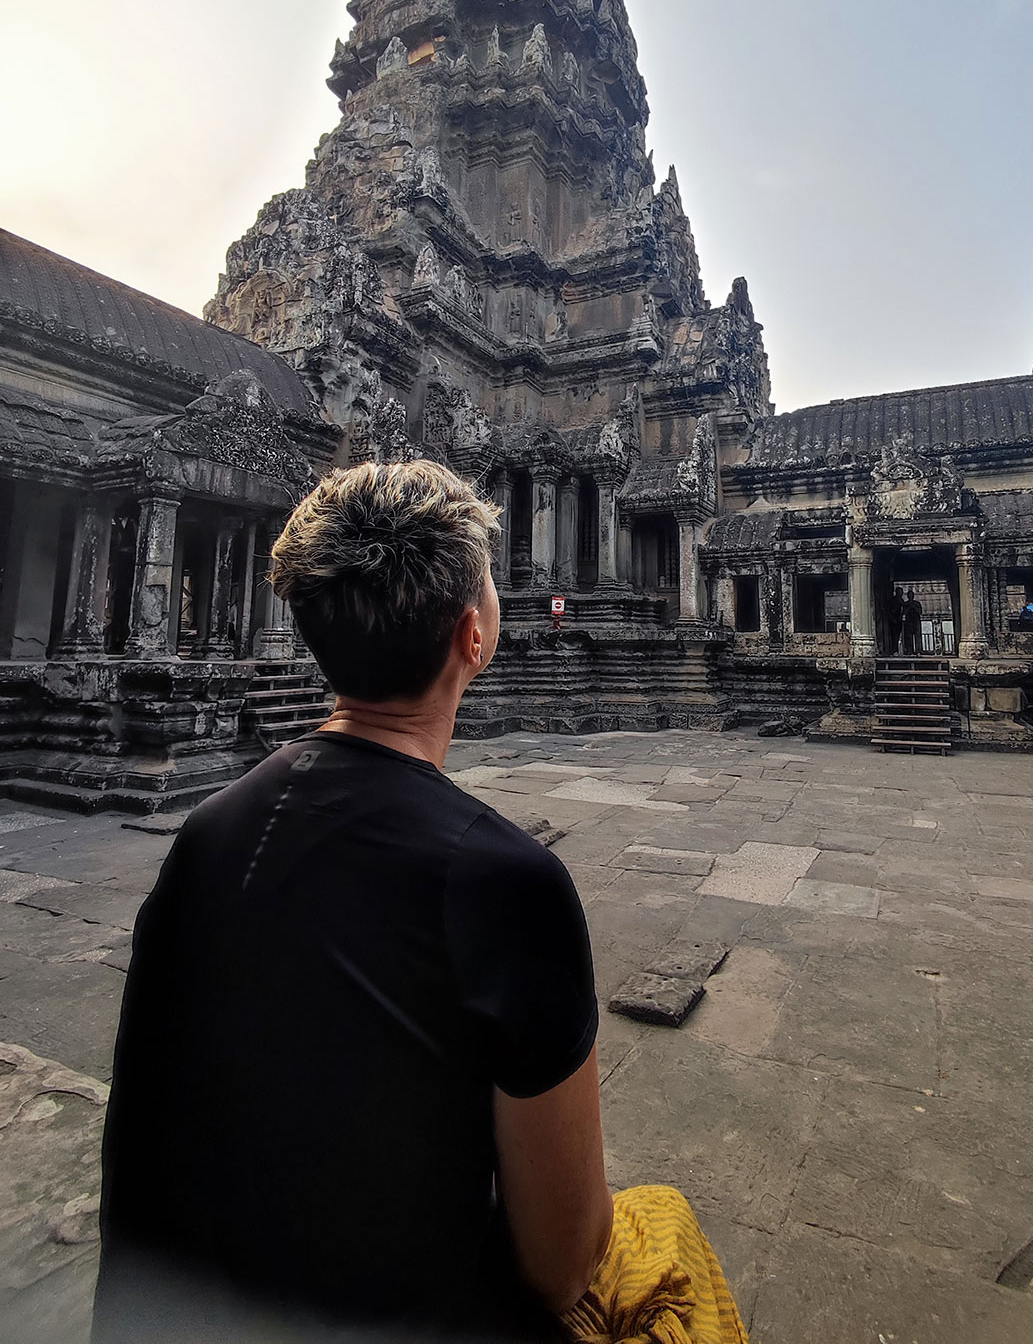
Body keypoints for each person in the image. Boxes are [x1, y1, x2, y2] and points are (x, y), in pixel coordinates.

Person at [93, 460, 746, 1344]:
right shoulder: (505, 882)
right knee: (662, 1226)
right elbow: (560, 1266)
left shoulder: (206, 833)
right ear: (474, 638)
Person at [901, 587, 924, 655]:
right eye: (909, 595)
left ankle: (918, 650)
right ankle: (909, 650)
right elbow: (904, 613)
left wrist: (914, 607)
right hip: (909, 622)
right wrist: (908, 607)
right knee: (909, 637)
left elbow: (920, 612)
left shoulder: (917, 603)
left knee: (918, 636)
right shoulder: (906, 604)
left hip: (916, 621)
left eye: (911, 595)